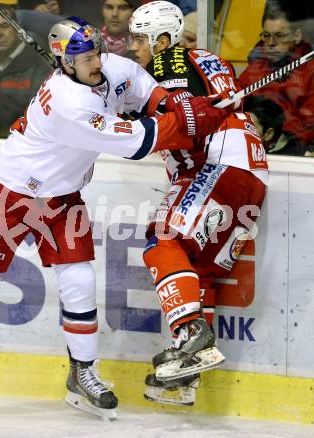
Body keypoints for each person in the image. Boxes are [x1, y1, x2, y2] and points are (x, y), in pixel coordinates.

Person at [0, 15, 233, 419]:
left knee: (79, 277)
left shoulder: (111, 67)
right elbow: (141, 141)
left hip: (61, 197)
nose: (97, 62)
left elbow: (151, 96)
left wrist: (182, 106)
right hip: (11, 191)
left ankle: (83, 372)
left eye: (97, 52)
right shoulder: (69, 105)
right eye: (85, 58)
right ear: (64, 64)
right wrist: (191, 119)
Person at [129, 1, 268, 406]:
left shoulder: (169, 62)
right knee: (198, 272)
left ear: (165, 40)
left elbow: (176, 122)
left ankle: (190, 336)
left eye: (140, 38)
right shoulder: (202, 60)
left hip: (220, 164)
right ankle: (185, 379)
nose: (133, 46)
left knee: (163, 239)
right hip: (246, 172)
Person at [238, 6, 314, 156]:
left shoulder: (310, 71)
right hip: (252, 148)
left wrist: (277, 136)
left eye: (279, 36)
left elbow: (310, 122)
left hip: (295, 153)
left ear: (297, 36)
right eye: (266, 35)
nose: (271, 43)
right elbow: (237, 107)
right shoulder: (254, 69)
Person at [0, 5, 50, 137]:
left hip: (22, 146)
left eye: (4, 26)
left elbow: (39, 121)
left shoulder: (40, 66)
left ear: (18, 29)